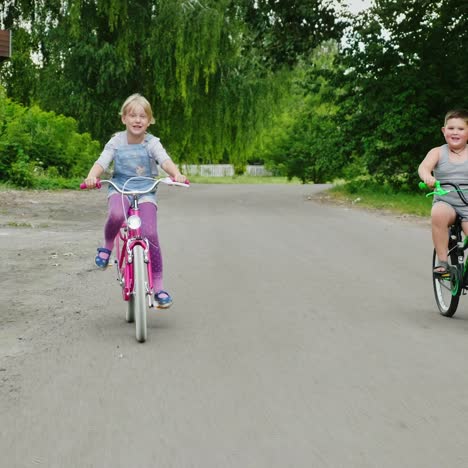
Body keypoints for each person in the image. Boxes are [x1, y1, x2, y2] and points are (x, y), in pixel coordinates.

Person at [83, 93, 187, 308]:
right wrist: (92, 176)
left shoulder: (152, 142)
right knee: (116, 215)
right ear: (124, 119)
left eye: (142, 116)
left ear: (149, 121)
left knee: (150, 234)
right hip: (119, 188)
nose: (137, 120)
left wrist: (176, 174)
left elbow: (164, 160)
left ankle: (158, 287)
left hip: (146, 191)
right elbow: (102, 162)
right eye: (132, 115)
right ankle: (107, 246)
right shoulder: (116, 141)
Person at [418, 108, 468, 275]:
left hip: (467, 205)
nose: (455, 132)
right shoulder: (438, 152)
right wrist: (428, 177)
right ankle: (443, 261)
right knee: (438, 213)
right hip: (446, 201)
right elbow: (424, 167)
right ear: (443, 130)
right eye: (451, 128)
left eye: (460, 129)